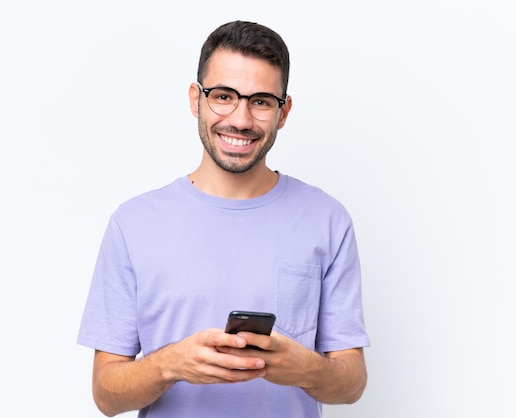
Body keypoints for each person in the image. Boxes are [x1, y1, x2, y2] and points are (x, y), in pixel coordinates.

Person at [77, 20, 370, 418]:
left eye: (262, 101)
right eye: (224, 96)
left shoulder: (327, 220)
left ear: (283, 113)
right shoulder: (133, 224)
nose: (242, 119)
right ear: (195, 99)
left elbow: (352, 383)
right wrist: (170, 364)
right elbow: (106, 396)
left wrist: (305, 368)